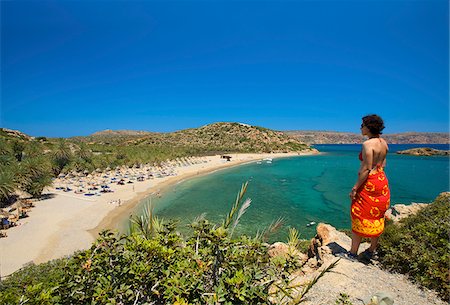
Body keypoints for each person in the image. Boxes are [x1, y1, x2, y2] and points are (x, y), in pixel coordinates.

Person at [345, 114, 390, 262]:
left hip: (369, 183)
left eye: (362, 125)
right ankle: (372, 250)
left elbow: (365, 170)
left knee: (359, 213)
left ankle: (352, 253)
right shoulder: (384, 143)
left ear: (369, 127)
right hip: (382, 181)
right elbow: (382, 165)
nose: (360, 128)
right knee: (377, 214)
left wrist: (355, 188)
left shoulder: (367, 145)